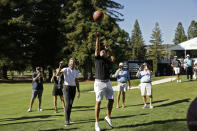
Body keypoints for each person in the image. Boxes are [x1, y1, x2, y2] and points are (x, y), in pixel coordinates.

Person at [94, 32, 115, 131]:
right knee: (98, 102)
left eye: (104, 51)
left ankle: (108, 117)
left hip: (108, 82)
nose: (102, 52)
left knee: (111, 100)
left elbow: (113, 58)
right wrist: (98, 38)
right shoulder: (97, 59)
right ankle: (97, 123)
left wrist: (108, 48)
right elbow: (97, 49)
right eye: (101, 51)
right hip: (99, 83)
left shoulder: (107, 60)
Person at [57, 59, 80, 127]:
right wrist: (60, 66)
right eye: (71, 62)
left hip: (73, 88)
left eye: (73, 62)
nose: (72, 63)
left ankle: (68, 118)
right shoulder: (65, 69)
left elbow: (76, 81)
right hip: (66, 87)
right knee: (67, 104)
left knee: (70, 104)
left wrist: (78, 90)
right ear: (69, 63)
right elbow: (58, 74)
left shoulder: (76, 71)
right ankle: (67, 120)